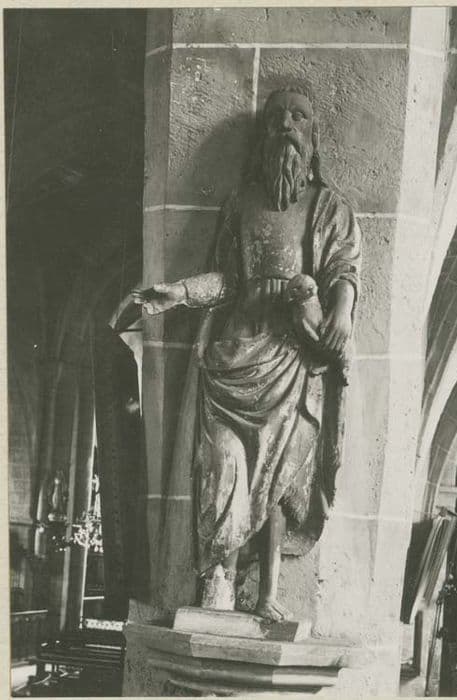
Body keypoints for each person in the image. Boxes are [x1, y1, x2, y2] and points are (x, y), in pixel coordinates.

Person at [133, 87, 361, 621]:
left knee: (280, 474)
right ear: (264, 134)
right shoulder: (240, 203)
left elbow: (343, 268)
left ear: (313, 135)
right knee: (223, 464)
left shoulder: (328, 206)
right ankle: (219, 580)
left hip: (292, 355)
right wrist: (178, 292)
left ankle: (267, 594)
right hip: (235, 354)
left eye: (299, 116)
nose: (287, 124)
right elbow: (227, 280)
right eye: (277, 116)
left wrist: (343, 311)